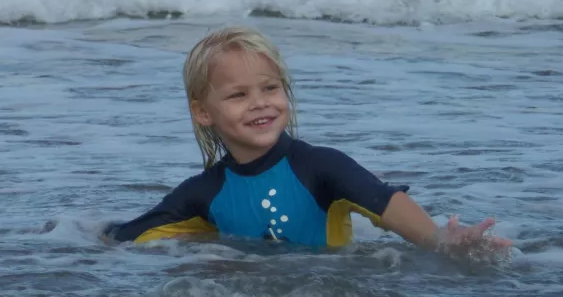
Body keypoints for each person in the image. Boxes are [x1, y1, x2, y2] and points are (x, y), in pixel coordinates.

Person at [103, 26, 512, 257]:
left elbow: (384, 202)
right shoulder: (203, 192)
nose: (260, 104)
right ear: (203, 112)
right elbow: (130, 235)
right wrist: (69, 241)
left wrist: (438, 239)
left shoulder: (321, 167)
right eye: (238, 95)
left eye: (269, 88)